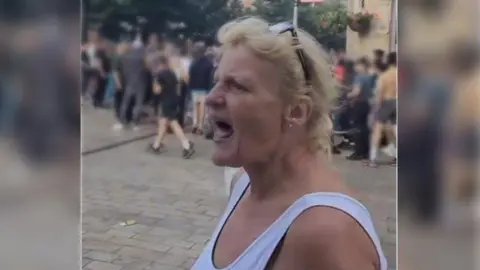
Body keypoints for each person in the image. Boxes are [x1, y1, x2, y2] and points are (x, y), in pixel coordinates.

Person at [192, 17, 387, 270]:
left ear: (296, 111)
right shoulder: (243, 183)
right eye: (217, 81)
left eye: (237, 86)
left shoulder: (326, 232)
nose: (211, 98)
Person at [149, 56, 195, 158]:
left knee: (173, 123)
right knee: (163, 123)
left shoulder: (159, 75)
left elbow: (157, 90)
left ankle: (186, 145)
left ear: (158, 65)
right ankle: (156, 145)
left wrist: (154, 85)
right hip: (174, 100)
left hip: (165, 101)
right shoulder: (171, 73)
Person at [367, 52, 397, 167]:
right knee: (396, 130)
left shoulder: (385, 76)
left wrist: (377, 106)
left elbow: (379, 93)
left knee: (377, 130)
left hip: (386, 102)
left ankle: (373, 159)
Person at [346, 57, 374, 160]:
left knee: (357, 128)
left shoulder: (359, 77)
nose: (355, 67)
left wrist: (348, 95)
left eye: (357, 65)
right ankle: (366, 152)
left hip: (358, 104)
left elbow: (356, 92)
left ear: (362, 66)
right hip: (367, 104)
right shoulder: (369, 77)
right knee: (365, 129)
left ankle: (358, 152)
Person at [117, 38, 148, 130]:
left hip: (129, 82)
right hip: (140, 82)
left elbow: (123, 70)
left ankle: (121, 121)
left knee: (125, 102)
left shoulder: (124, 57)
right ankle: (135, 123)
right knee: (138, 103)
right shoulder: (142, 58)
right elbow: (145, 69)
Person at [189, 42, 214, 135]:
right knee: (202, 107)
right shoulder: (208, 63)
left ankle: (194, 124)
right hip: (204, 88)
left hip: (194, 87)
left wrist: (190, 86)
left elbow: (190, 75)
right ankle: (200, 126)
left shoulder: (193, 62)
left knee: (195, 107)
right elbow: (210, 77)